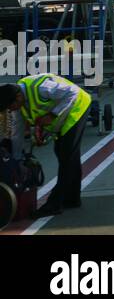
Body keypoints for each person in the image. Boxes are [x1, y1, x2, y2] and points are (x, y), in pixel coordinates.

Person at [0, 75, 92, 217]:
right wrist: (16, 160)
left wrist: (53, 115)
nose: (10, 110)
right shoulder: (18, 103)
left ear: (18, 98)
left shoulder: (41, 87)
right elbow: (17, 133)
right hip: (64, 115)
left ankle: (54, 205)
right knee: (66, 156)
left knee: (67, 158)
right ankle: (72, 199)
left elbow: (72, 93)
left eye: (10, 106)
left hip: (78, 107)